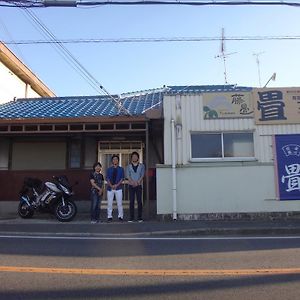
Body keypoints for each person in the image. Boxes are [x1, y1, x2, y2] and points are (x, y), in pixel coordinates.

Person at [126, 151, 145, 222]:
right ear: (131, 158)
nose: (134, 157)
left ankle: (140, 217)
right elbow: (128, 176)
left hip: (139, 185)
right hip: (131, 186)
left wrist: (137, 182)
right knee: (131, 201)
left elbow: (142, 175)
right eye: (133, 156)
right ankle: (131, 217)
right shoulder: (128, 166)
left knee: (139, 201)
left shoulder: (142, 166)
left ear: (138, 158)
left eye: (136, 156)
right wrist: (132, 182)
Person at [106, 154, 124, 222]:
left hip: (118, 188)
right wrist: (111, 185)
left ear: (118, 161)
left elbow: (122, 178)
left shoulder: (121, 169)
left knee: (119, 203)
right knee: (109, 203)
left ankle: (120, 216)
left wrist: (116, 185)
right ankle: (109, 216)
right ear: (112, 161)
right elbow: (107, 178)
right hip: (110, 189)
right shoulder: (109, 169)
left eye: (116, 159)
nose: (115, 160)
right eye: (114, 159)